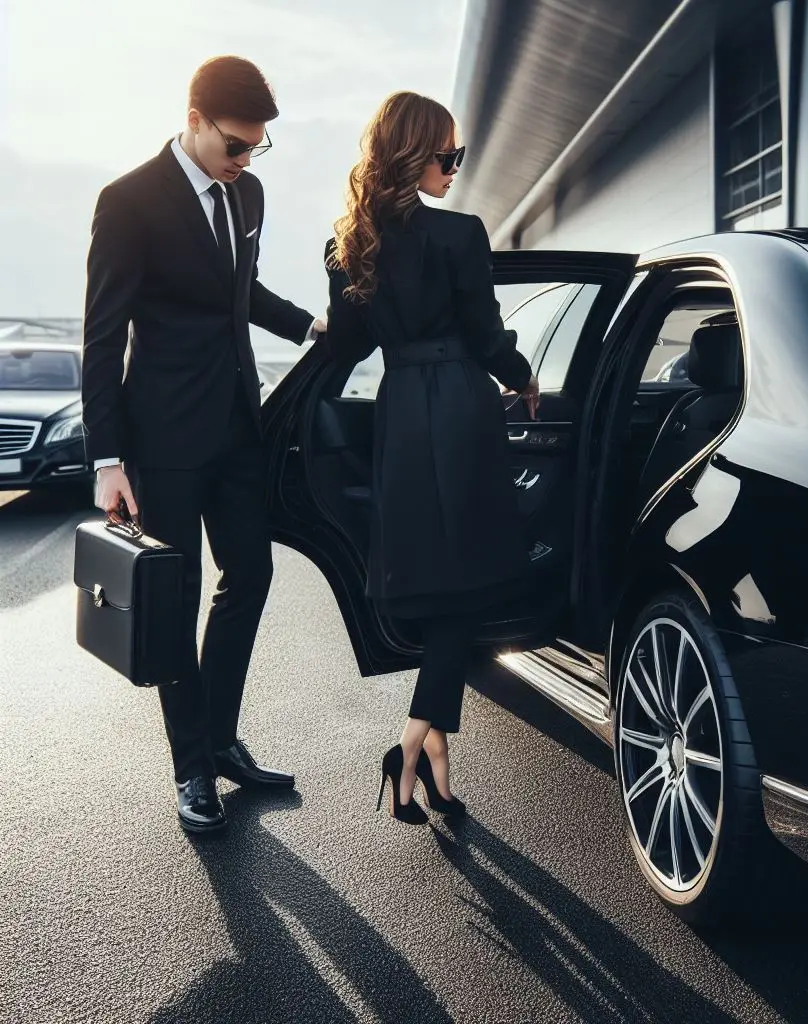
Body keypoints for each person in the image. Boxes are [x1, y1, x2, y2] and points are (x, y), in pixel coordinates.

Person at [82, 56, 325, 836]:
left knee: (250, 573)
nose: (245, 160)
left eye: (256, 149)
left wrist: (310, 326)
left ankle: (220, 739)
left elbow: (240, 290)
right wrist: (108, 459)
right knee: (176, 598)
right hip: (164, 436)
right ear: (193, 120)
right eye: (234, 145)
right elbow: (102, 334)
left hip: (236, 427)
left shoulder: (248, 192)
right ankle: (190, 764)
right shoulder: (127, 201)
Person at [323, 91, 540, 825]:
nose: (456, 167)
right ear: (415, 155)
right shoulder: (459, 235)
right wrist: (523, 376)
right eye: (448, 155)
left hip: (402, 416)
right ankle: (416, 740)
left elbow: (345, 344)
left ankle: (431, 761)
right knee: (470, 582)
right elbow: (485, 332)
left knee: (441, 581)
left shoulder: (350, 244)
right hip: (460, 409)